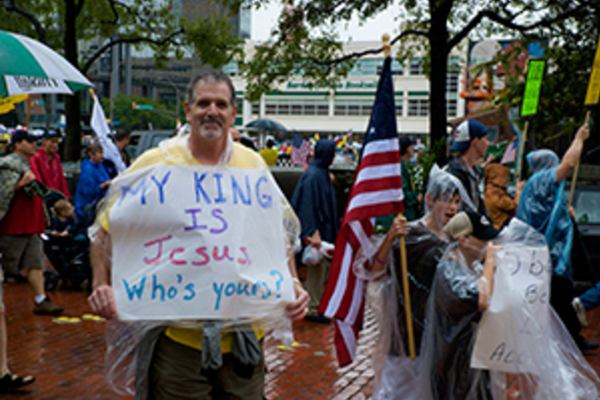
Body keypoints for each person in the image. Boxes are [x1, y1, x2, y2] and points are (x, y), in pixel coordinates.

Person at [88, 70, 309, 400]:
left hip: (244, 339)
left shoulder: (252, 166)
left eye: (221, 104)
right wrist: (100, 284)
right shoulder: (156, 165)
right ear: (188, 110)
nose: (212, 111)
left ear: (234, 113)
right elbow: (103, 232)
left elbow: (277, 235)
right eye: (203, 103)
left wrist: (293, 282)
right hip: (179, 342)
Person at [369, 166, 471, 400]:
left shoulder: (457, 240)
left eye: (456, 201)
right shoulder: (410, 235)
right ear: (429, 199)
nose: (453, 208)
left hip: (439, 339)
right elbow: (376, 271)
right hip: (407, 338)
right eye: (446, 200)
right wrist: (390, 238)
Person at [516, 123, 597, 351]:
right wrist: (579, 138)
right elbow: (569, 164)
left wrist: (565, 210)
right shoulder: (541, 180)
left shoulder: (536, 186)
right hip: (548, 255)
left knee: (557, 298)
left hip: (548, 254)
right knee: (559, 298)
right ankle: (569, 340)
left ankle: (564, 338)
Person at [420, 210, 501, 400]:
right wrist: (490, 261)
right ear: (464, 241)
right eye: (483, 240)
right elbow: (482, 299)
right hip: (454, 368)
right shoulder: (449, 272)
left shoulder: (470, 266)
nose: (489, 245)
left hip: (471, 361)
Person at [0, 130, 63, 315]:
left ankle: (41, 299)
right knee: (7, 266)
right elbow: (3, 194)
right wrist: (20, 184)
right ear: (18, 144)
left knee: (35, 264)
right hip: (13, 225)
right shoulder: (8, 166)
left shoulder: (28, 164)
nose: (34, 144)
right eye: (29, 141)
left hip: (32, 224)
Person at [291, 139, 338, 323]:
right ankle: (312, 308)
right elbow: (308, 205)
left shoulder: (318, 172)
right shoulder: (314, 175)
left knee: (321, 268)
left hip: (321, 228)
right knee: (316, 270)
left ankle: (317, 305)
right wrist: (313, 231)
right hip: (318, 230)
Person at [445, 120, 490, 215]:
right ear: (475, 142)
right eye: (485, 139)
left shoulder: (472, 171)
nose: (488, 143)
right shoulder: (454, 176)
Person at [74, 143, 111, 224]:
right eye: (100, 153)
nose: (102, 155)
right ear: (91, 155)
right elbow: (89, 192)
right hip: (88, 209)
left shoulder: (100, 165)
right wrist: (104, 185)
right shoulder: (88, 170)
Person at [29, 129, 70, 198]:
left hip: (56, 195)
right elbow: (38, 179)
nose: (55, 145)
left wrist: (67, 196)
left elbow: (61, 178)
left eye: (57, 142)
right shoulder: (36, 157)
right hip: (44, 196)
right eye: (52, 142)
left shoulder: (56, 158)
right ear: (44, 141)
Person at [483, 163, 524, 229]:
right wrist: (518, 192)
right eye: (504, 177)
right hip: (503, 227)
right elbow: (512, 205)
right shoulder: (494, 192)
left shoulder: (496, 190)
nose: (506, 179)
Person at [398, 136, 422, 221]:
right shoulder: (400, 166)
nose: (413, 149)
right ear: (408, 149)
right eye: (412, 146)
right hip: (405, 213)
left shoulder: (403, 164)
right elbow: (402, 191)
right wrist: (417, 198)